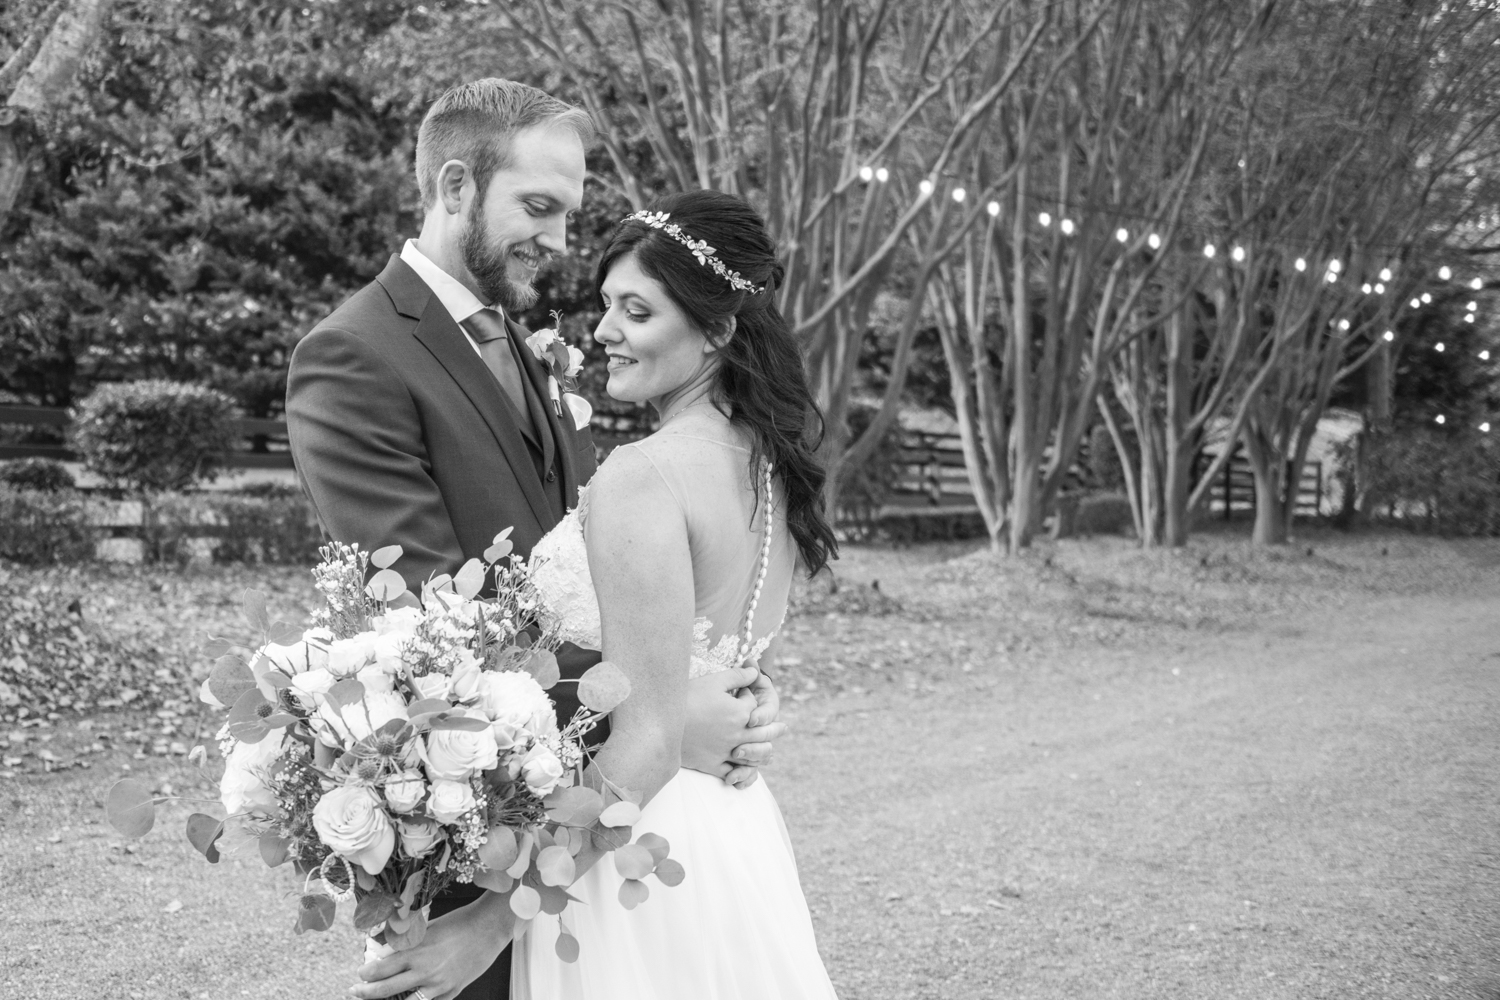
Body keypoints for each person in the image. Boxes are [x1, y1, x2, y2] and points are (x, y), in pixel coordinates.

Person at [285, 79, 786, 1000]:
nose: (559, 241)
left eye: (569, 214)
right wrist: (668, 716)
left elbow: (619, 573)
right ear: (453, 188)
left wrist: (688, 691)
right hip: (483, 817)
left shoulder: (528, 350)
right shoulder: (352, 355)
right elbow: (435, 627)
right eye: (539, 206)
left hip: (591, 831)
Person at [508, 190, 842, 998]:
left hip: (630, 852)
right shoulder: (769, 466)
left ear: (718, 330)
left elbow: (646, 742)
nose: (606, 332)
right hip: (732, 831)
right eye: (606, 306)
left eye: (637, 311)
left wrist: (509, 898)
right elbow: (722, 663)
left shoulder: (644, 475)